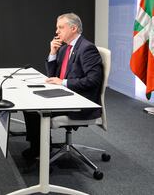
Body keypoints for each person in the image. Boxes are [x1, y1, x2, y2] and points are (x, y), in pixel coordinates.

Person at [22, 13, 103, 160]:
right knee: (30, 105)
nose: (57, 32)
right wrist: (52, 53)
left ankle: (41, 151)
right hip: (66, 95)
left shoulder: (87, 48)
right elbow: (52, 76)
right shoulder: (65, 48)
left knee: (35, 110)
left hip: (82, 102)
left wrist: (64, 82)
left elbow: (93, 80)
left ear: (73, 28)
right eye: (57, 28)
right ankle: (39, 147)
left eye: (60, 27)